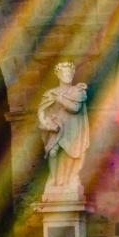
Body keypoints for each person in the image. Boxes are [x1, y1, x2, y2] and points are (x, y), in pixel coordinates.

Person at [37, 61, 90, 198]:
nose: (67, 75)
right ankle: (55, 180)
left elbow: (75, 108)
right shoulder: (50, 93)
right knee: (53, 151)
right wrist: (46, 123)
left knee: (69, 154)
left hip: (72, 128)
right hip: (56, 127)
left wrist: (60, 99)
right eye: (64, 72)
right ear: (58, 74)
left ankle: (68, 180)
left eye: (70, 72)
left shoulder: (78, 90)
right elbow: (41, 111)